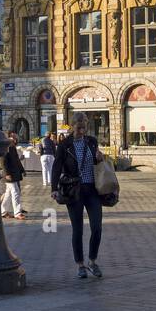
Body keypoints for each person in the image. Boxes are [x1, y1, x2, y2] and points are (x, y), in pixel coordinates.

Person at [51, 113, 105, 279]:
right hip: (74, 190)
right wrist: (53, 188)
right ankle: (80, 264)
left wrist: (99, 159)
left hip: (92, 190)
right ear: (72, 126)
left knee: (97, 227)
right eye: (79, 127)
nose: (82, 130)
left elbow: (96, 164)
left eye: (84, 127)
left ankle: (92, 261)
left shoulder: (91, 141)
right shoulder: (65, 145)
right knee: (78, 229)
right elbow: (57, 166)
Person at [0, 131, 27, 219]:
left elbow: (17, 161)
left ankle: (3, 211)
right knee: (15, 192)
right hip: (9, 174)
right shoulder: (5, 148)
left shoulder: (12, 148)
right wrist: (7, 173)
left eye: (15, 138)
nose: (15, 140)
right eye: (13, 138)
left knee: (8, 193)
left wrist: (22, 170)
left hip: (14, 173)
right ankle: (17, 213)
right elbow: (3, 162)